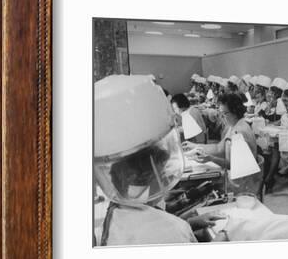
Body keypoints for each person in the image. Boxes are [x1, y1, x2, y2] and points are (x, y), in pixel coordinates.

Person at [94, 75, 222, 246]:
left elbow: (153, 221)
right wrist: (223, 238)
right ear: (153, 174)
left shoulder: (116, 210)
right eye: (164, 169)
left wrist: (192, 223)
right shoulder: (170, 231)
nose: (166, 175)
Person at [183, 93, 261, 196]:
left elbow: (232, 165)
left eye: (224, 113)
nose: (222, 117)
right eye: (221, 113)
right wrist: (194, 146)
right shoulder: (234, 126)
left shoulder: (239, 132)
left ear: (235, 111)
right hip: (236, 176)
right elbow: (219, 148)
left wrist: (211, 159)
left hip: (241, 184)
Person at [263, 79, 288, 192]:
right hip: (284, 139)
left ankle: (269, 177)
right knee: (270, 146)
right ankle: (268, 176)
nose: (285, 105)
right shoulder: (286, 114)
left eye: (287, 103)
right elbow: (278, 123)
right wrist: (269, 126)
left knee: (274, 147)